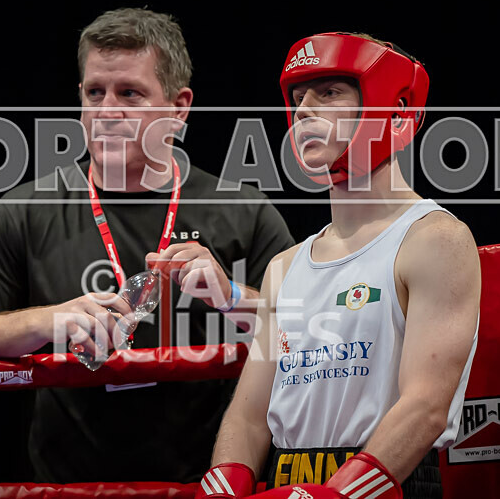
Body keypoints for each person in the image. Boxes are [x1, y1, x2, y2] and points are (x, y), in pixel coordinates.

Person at [0, 8, 294, 483]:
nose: (107, 111)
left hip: (204, 488)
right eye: (94, 92)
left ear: (179, 109)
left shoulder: (244, 211)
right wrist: (48, 320)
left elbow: (309, 336)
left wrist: (234, 297)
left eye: (130, 94)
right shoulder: (29, 209)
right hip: (62, 490)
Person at [196, 32, 480, 499]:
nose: (304, 109)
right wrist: (224, 485)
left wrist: (336, 494)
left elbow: (427, 406)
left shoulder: (434, 240)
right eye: (297, 97)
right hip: (285, 479)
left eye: (329, 92)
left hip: (390, 476)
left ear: (394, 108)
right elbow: (248, 415)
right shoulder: (284, 268)